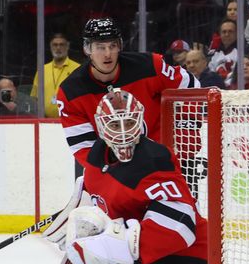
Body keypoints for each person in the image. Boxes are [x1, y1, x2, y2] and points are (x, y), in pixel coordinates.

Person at [45, 89, 208, 264]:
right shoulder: (96, 157)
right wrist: (80, 216)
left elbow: (180, 227)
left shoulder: (154, 160)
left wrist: (113, 247)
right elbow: (102, 200)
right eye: (114, 125)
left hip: (185, 255)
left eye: (129, 123)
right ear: (101, 126)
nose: (123, 133)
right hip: (140, 261)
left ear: (139, 120)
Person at [56, 17, 200, 167]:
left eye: (112, 45)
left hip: (164, 161)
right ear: (87, 49)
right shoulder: (71, 92)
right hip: (114, 170)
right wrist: (112, 170)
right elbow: (84, 148)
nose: (107, 53)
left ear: (120, 46)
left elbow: (192, 87)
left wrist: (186, 127)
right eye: (100, 47)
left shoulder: (150, 66)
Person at [30, 33, 80, 118]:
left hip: (70, 122)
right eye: (55, 45)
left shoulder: (77, 69)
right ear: (50, 46)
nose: (58, 48)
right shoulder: (42, 70)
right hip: (44, 122)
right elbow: (35, 98)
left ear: (67, 46)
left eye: (61, 45)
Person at [208, 18, 241, 88]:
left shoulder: (244, 51)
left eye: (230, 31)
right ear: (220, 34)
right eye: (224, 32)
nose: (227, 34)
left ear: (237, 33)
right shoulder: (214, 54)